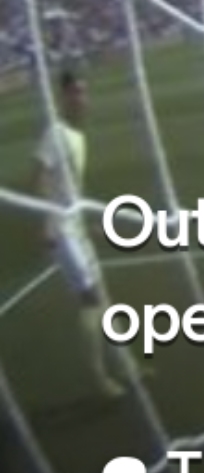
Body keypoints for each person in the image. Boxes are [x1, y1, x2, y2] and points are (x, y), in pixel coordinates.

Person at [30, 71, 144, 400]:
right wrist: (48, 223)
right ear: (63, 97)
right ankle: (100, 378)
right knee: (90, 300)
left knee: (103, 298)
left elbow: (70, 190)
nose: (82, 99)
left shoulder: (77, 136)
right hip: (62, 231)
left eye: (84, 92)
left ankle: (128, 367)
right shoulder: (56, 133)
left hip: (75, 227)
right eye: (76, 93)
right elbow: (39, 176)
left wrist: (85, 223)